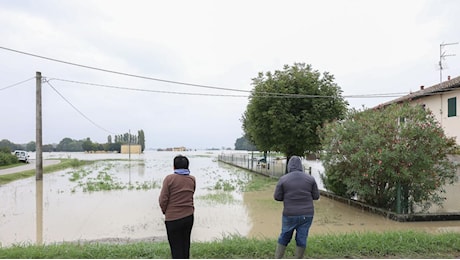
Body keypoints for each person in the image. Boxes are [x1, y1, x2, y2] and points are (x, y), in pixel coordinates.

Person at [273, 155, 320, 258]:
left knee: (284, 236)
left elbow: (277, 197)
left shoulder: (283, 179)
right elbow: (316, 196)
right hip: (307, 215)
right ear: (301, 166)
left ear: (289, 166)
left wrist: (288, 197)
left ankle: (277, 258)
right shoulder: (310, 179)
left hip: (289, 214)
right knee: (302, 238)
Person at [159, 155, 196, 259]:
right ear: (187, 166)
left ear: (174, 167)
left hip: (173, 219)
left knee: (176, 248)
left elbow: (163, 199)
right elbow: (191, 195)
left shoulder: (169, 179)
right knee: (185, 245)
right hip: (189, 217)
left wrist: (165, 211)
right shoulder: (192, 179)